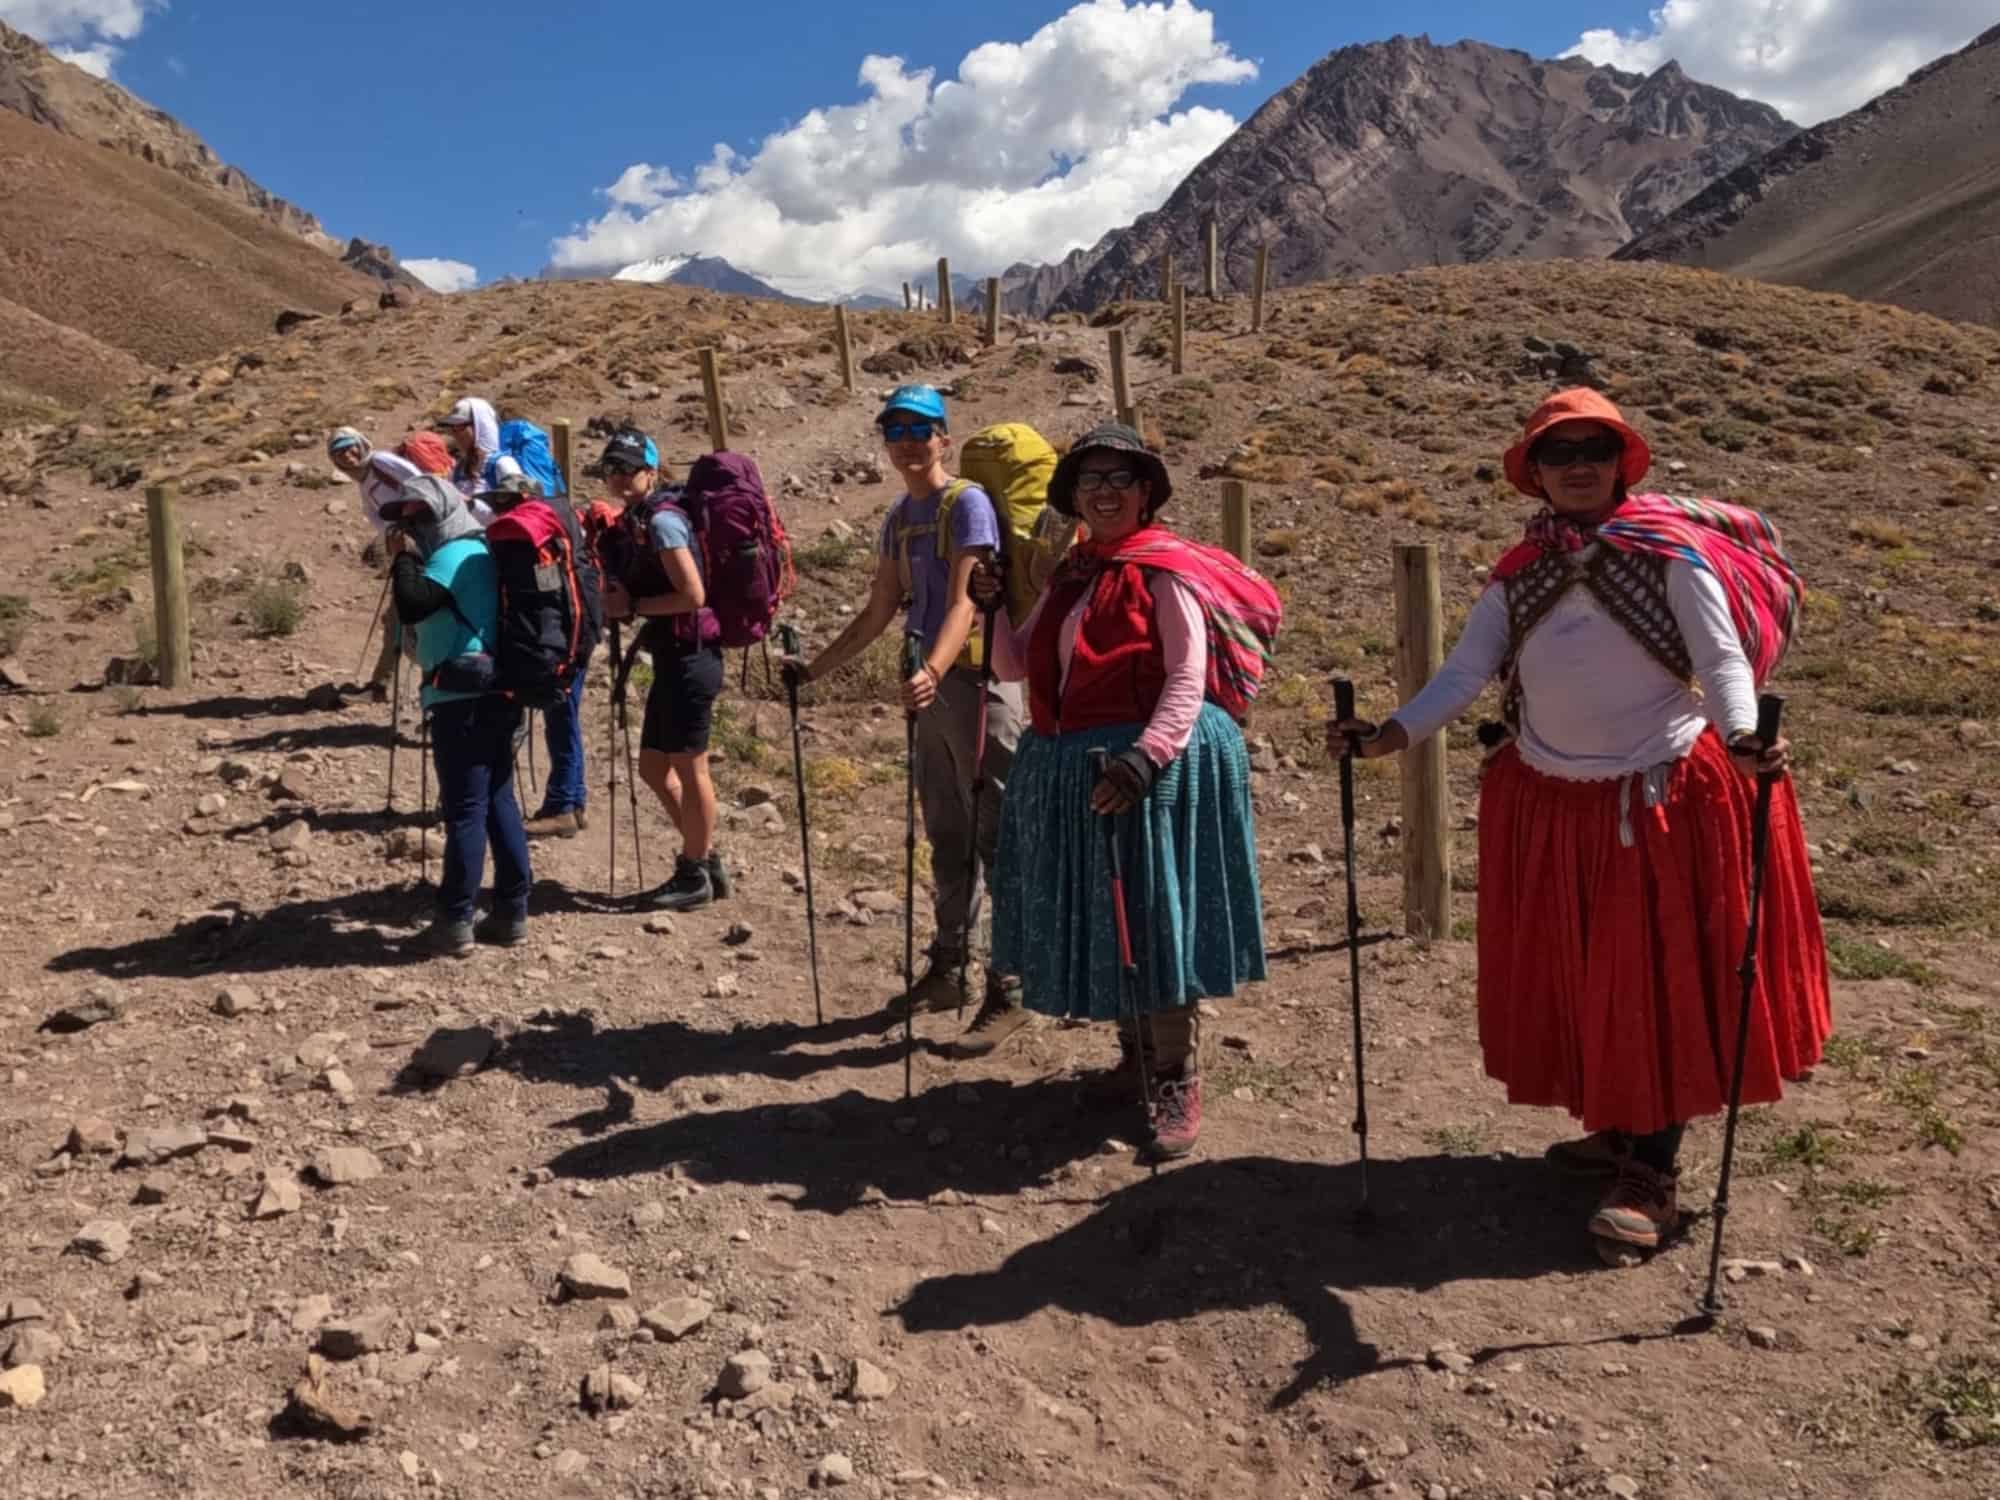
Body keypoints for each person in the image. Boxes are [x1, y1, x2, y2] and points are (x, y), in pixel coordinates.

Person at [1329, 388, 1831, 1258]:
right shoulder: (1518, 572)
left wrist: (1744, 735)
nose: (1578, 465)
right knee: (1586, 970)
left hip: (1659, 798)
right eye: (1558, 454)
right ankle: (1616, 1123)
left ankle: (1654, 1171)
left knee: (1657, 979)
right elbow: (1463, 676)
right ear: (1534, 474)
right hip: (1556, 800)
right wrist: (1389, 737)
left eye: (1595, 448)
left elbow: (1719, 663)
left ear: (1622, 460)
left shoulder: (1671, 556)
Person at [974, 422, 1266, 1158]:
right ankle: (1134, 1058)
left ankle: (1177, 1074)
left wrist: (1145, 760)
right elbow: (1014, 665)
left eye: (1119, 479)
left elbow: (1186, 678)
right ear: (1073, 495)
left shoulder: (1165, 573)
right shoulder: (1076, 571)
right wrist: (991, 604)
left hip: (1147, 765)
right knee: (1112, 910)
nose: (1103, 492)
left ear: (1146, 494)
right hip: (1083, 763)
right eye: (1090, 480)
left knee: (1156, 915)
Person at [782, 386, 1028, 1058]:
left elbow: (963, 604)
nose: (909, 442)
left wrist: (935, 671)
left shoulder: (966, 503)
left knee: (999, 839)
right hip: (931, 692)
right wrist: (816, 670)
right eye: (896, 431)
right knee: (947, 834)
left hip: (977, 685)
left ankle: (1012, 986)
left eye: (921, 430)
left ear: (944, 437)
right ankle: (949, 969)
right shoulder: (900, 516)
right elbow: (879, 608)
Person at [381, 474, 533, 957]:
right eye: (405, 517)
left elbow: (412, 604)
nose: (412, 525)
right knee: (497, 798)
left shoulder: (453, 555)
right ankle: (511, 910)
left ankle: (455, 919)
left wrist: (402, 557)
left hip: (460, 696)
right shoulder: (484, 551)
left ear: (445, 510)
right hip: (496, 691)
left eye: (420, 515)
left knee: (466, 809)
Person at [597, 429, 729, 912]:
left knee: (691, 767)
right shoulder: (638, 520)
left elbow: (693, 596)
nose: (617, 477)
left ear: (651, 469)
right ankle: (705, 858)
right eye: (610, 468)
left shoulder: (664, 523)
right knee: (654, 766)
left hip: (693, 656)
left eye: (627, 468)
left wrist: (633, 604)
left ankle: (694, 871)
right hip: (675, 655)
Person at [477, 464, 603, 841]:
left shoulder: (538, 538)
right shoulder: (566, 533)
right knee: (565, 717)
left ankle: (563, 805)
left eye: (505, 503)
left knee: (561, 718)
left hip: (557, 644)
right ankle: (573, 802)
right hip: (577, 636)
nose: (502, 512)